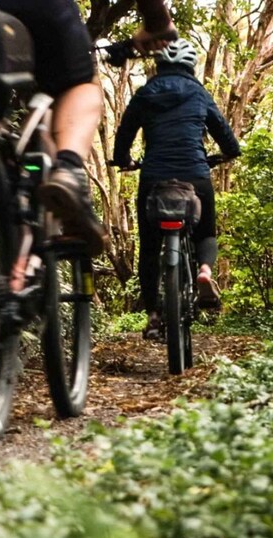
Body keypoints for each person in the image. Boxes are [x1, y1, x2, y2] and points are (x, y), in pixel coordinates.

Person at [0, 0, 176, 257]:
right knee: (80, 86)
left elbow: (127, 132)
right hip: (37, 10)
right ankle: (68, 169)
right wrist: (157, 21)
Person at [112, 39, 241, 340]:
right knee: (206, 232)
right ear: (190, 66)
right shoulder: (199, 93)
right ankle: (205, 272)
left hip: (154, 178)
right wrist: (226, 154)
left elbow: (124, 134)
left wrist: (124, 160)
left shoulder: (145, 93)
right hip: (195, 176)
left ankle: (154, 315)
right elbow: (228, 140)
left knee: (148, 247)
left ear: (159, 65)